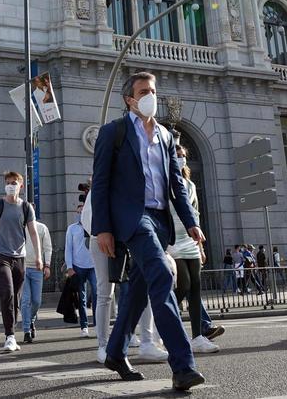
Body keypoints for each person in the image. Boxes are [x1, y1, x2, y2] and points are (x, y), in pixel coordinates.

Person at [91, 71, 205, 391]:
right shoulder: (113, 132)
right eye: (144, 91)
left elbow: (177, 187)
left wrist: (192, 221)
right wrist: (103, 229)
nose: (150, 96)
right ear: (130, 99)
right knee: (162, 274)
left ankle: (115, 352)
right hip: (133, 219)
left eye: (153, 90)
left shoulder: (167, 136)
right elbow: (99, 184)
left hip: (160, 218)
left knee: (141, 288)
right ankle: (183, 365)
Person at [85, 186, 165, 365]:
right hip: (101, 236)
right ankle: (103, 346)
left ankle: (147, 342)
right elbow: (90, 214)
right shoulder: (105, 175)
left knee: (143, 288)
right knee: (106, 292)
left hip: (132, 235)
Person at [0, 171, 44, 352]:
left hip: (20, 258)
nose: (11, 185)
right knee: (7, 292)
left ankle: (13, 333)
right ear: (5, 184)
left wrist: (39, 257)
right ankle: (9, 336)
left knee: (16, 298)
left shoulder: (26, 207)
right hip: (1, 257)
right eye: (8, 182)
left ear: (21, 185)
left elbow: (33, 233)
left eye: (14, 182)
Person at [168, 143, 218, 354]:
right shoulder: (166, 182)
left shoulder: (190, 185)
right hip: (173, 240)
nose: (181, 159)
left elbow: (195, 215)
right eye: (177, 155)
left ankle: (197, 336)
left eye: (183, 156)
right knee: (184, 283)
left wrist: (201, 246)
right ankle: (162, 319)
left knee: (196, 287)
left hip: (190, 240)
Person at [64, 199, 96, 338]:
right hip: (78, 266)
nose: (80, 214)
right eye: (78, 212)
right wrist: (70, 267)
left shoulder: (94, 226)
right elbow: (68, 249)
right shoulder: (72, 228)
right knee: (81, 298)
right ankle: (84, 326)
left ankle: (97, 324)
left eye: (83, 211)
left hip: (94, 265)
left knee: (97, 294)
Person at [21, 209, 52, 343]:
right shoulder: (20, 227)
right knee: (25, 300)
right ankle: (26, 330)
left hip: (37, 268)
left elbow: (47, 247)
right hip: (22, 267)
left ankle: (31, 320)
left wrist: (47, 265)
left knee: (36, 301)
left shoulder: (42, 228)